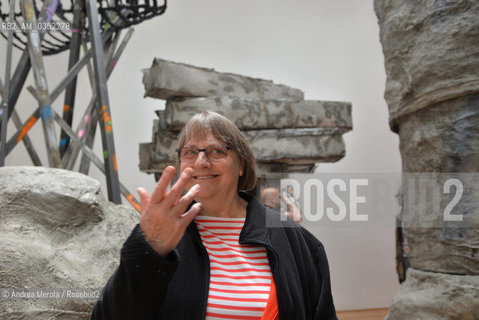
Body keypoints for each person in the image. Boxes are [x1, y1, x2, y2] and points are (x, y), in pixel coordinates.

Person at [92, 111, 337, 320]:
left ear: (241, 165)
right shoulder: (162, 234)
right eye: (189, 152)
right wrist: (148, 252)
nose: (201, 162)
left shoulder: (297, 241)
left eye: (217, 151)